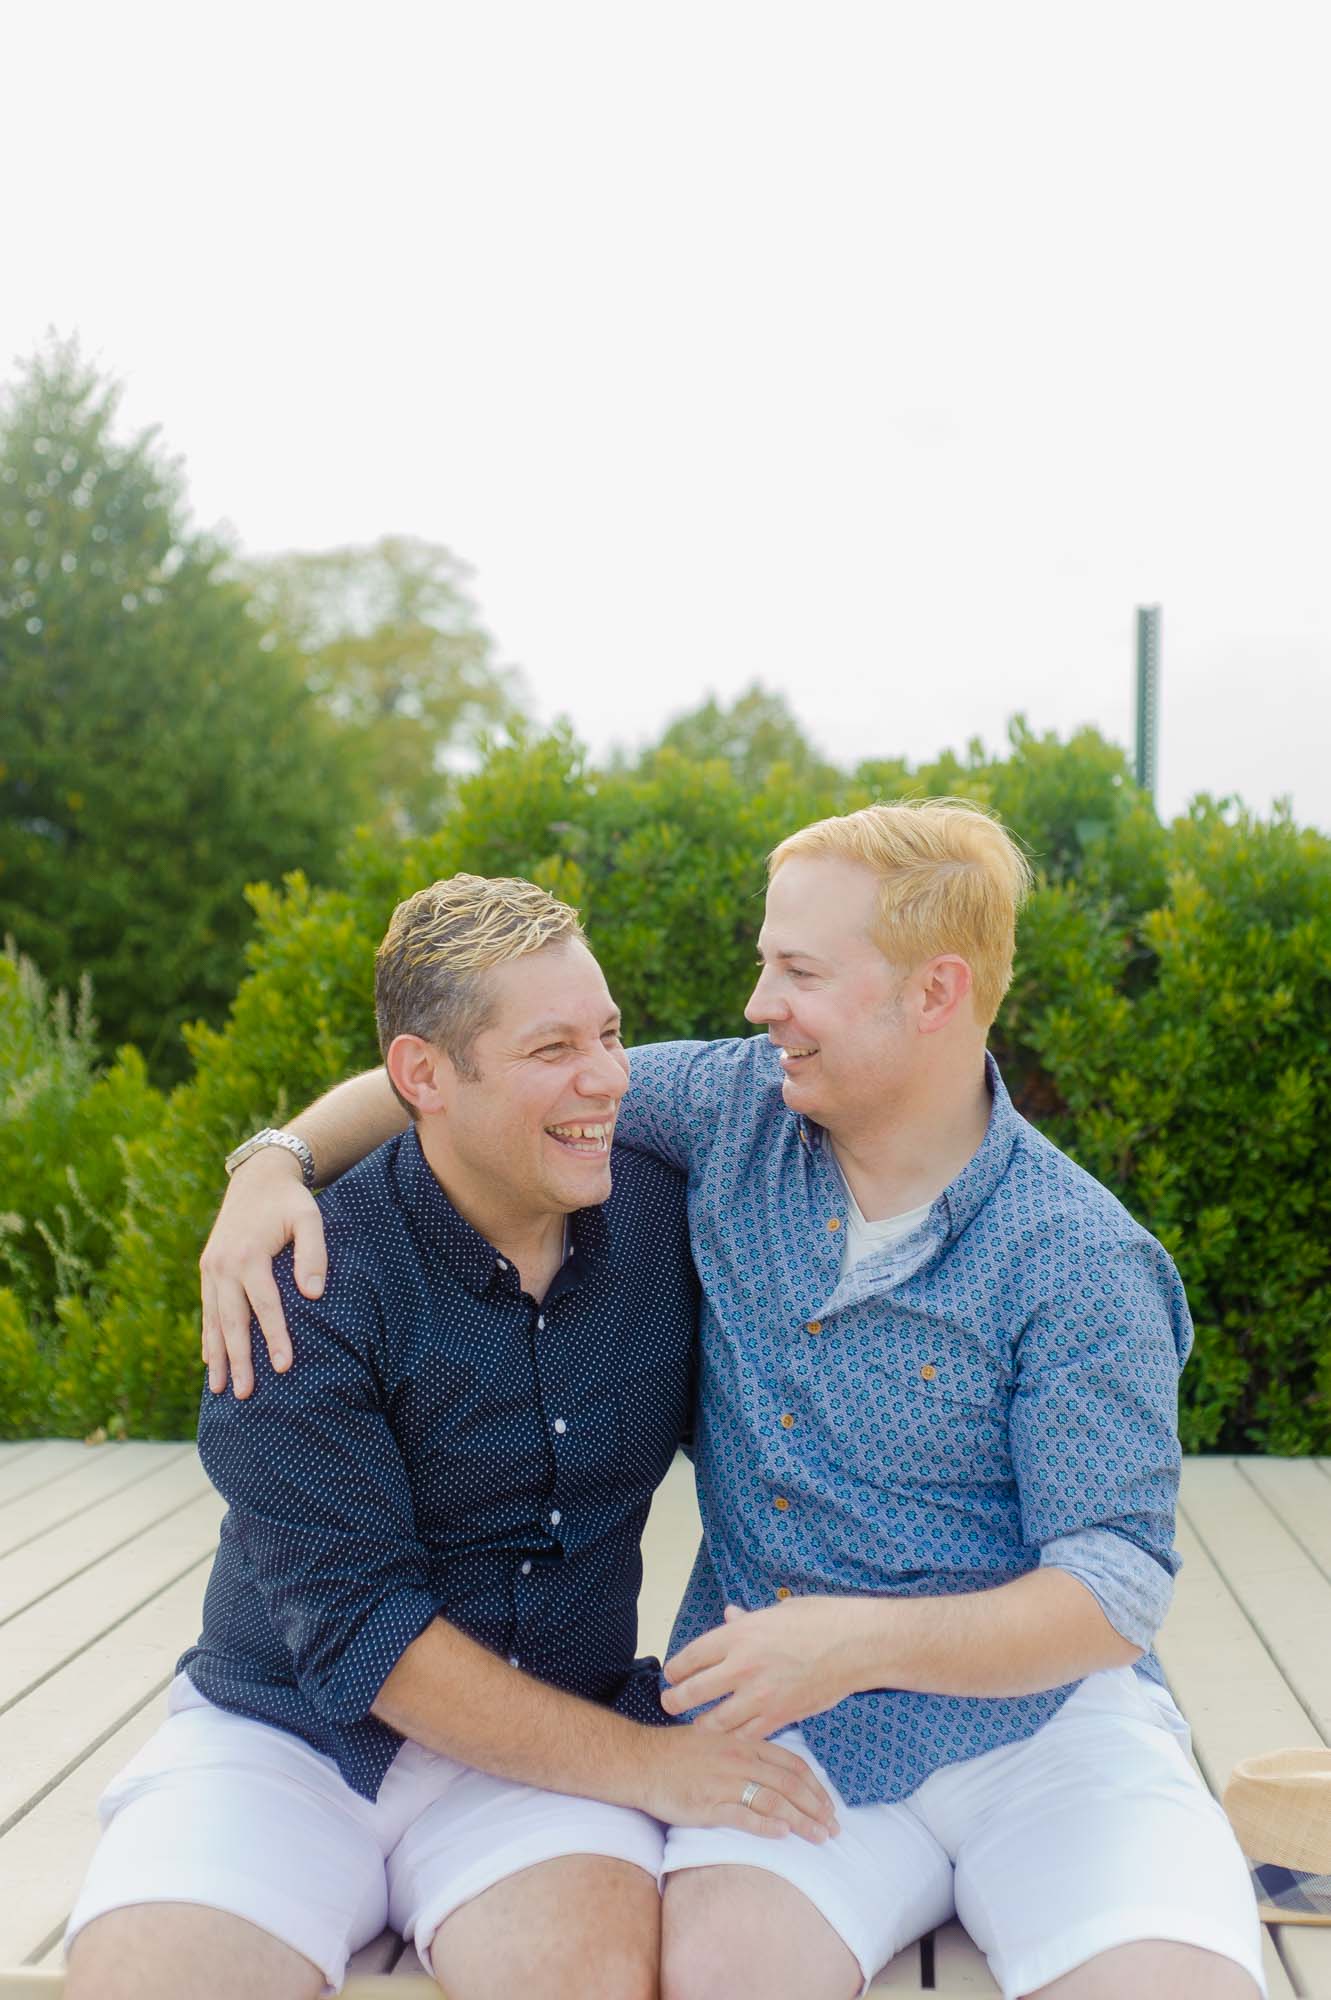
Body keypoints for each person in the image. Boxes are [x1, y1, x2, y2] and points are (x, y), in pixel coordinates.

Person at [202, 802, 1264, 2000]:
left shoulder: (1079, 1257)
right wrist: (270, 1163)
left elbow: (1113, 1586)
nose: (759, 1003)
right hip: (777, 1730)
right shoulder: (730, 1107)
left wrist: (858, 1639)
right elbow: (474, 1078)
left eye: (796, 970)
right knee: (719, 1974)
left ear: (935, 991)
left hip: (1042, 1731)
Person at [66, 874, 835, 2000]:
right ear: (423, 1075)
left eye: (611, 1033)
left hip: (547, 1754)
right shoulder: (301, 1277)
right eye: (553, 1047)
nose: (607, 1076)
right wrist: (657, 1766)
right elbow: (364, 1633)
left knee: (584, 1975)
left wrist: (273, 1145)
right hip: (283, 1736)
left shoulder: (672, 1211)